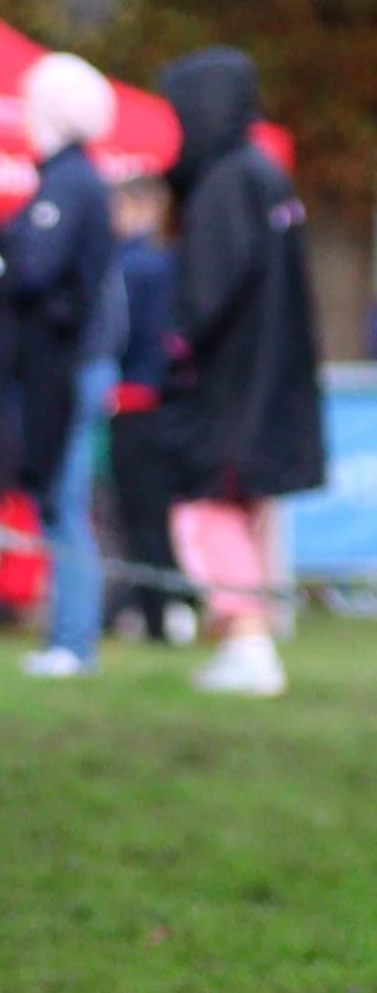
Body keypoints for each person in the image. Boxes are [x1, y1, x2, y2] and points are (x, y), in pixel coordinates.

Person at [0, 54, 119, 677]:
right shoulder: (68, 182)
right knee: (58, 501)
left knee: (65, 501)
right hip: (63, 365)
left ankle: (73, 642)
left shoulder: (70, 183)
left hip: (66, 367)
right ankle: (65, 637)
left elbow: (39, 267)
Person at [157, 47, 326, 695]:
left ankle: (247, 639)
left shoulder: (227, 182)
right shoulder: (266, 176)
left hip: (229, 387)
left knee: (204, 511)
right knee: (239, 507)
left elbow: (205, 295)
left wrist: (172, 348)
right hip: (267, 381)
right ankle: (242, 638)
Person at [103, 176, 193, 645]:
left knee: (139, 517)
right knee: (158, 515)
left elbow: (117, 335)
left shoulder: (129, 267)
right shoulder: (177, 263)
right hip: (170, 405)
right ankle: (165, 605)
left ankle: (155, 614)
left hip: (135, 403)